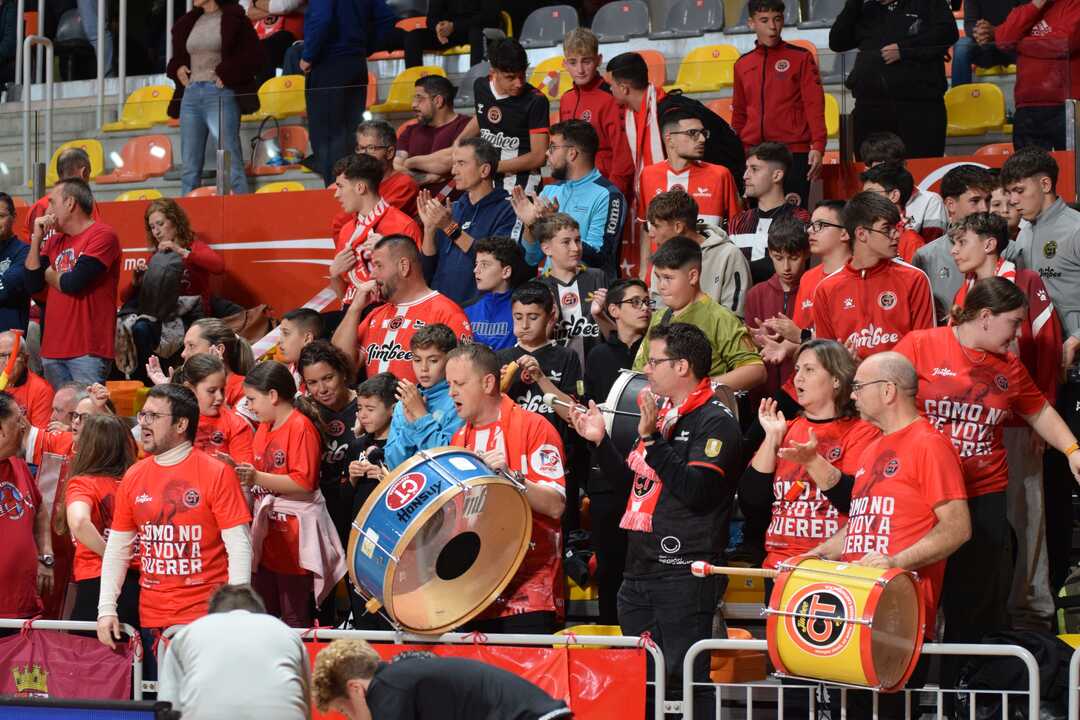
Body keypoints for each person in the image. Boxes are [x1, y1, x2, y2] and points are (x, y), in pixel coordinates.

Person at [895, 278, 1080, 692]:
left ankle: (963, 694)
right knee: (914, 598)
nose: (1017, 334)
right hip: (925, 493)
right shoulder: (920, 345)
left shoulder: (1009, 367)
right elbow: (880, 397)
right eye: (1013, 323)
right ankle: (905, 693)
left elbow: (1039, 412)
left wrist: (1072, 450)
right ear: (984, 316)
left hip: (984, 493)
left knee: (974, 602)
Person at [569, 322, 742, 718]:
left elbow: (697, 490)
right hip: (639, 570)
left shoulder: (715, 420)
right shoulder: (662, 415)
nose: (646, 368)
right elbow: (633, 486)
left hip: (684, 572)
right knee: (643, 684)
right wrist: (600, 442)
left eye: (655, 361)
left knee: (687, 683)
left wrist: (652, 441)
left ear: (682, 366)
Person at [800, 352, 970, 719]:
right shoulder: (873, 447)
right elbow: (863, 522)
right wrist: (819, 553)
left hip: (898, 618)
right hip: (856, 609)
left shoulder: (929, 444)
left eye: (859, 386)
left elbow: (957, 527)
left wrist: (894, 562)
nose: (852, 395)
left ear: (889, 391)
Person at [950, 215, 1061, 629]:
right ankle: (985, 611)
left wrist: (1038, 420)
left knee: (1027, 516)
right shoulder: (963, 292)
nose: (954, 251)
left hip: (1019, 422)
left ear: (989, 244)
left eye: (962, 241)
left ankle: (1032, 612)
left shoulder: (1026, 281)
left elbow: (1047, 348)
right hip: (973, 426)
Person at [96, 384, 253, 649]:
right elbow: (118, 548)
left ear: (181, 424)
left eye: (154, 416)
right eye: (143, 414)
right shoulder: (134, 475)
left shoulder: (217, 473)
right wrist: (106, 609)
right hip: (152, 620)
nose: (144, 423)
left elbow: (239, 545)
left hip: (208, 619)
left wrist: (237, 613)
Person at [446, 343, 567, 633]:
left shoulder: (535, 427)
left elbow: (555, 505)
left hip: (529, 594)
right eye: (449, 384)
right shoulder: (457, 440)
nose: (451, 393)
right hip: (473, 593)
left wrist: (512, 478)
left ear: (488, 383)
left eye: (459, 384)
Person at [237, 360, 346, 627]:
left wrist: (256, 477)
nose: (248, 406)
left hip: (295, 535)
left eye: (252, 399)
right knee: (264, 612)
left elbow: (304, 482)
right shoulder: (265, 425)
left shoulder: (300, 427)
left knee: (294, 617)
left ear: (273, 396)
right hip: (269, 533)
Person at [579, 278, 650, 624]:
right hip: (606, 475)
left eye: (647, 301)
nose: (644, 308)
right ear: (614, 311)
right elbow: (589, 409)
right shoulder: (599, 355)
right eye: (635, 302)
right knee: (609, 567)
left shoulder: (658, 352)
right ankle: (610, 638)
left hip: (649, 475)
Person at [312, 639, 571, 719]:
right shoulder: (402, 676)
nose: (350, 719)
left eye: (344, 711)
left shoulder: (386, 689)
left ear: (355, 690)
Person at [158, 584, 311, 720]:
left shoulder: (186, 634)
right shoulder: (286, 632)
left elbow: (167, 707)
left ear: (211, 614)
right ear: (260, 613)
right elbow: (307, 703)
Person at [811, 192, 935, 360]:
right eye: (886, 229)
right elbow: (827, 361)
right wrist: (845, 365)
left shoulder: (914, 279)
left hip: (901, 376)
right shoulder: (826, 289)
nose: (897, 235)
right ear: (861, 234)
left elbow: (926, 351)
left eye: (897, 228)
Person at [332, 235, 472, 382]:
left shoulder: (447, 313)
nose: (372, 274)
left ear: (403, 266)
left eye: (379, 266)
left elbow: (463, 376)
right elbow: (340, 366)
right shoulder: (376, 315)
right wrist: (354, 309)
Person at [829, 0, 957, 160]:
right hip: (870, 106)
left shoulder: (928, 3)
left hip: (919, 106)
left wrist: (905, 50)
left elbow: (948, 33)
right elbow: (837, 42)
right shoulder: (867, 9)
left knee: (920, 167)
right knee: (872, 168)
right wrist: (853, 5)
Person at [633, 237, 766, 390]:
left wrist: (701, 390)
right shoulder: (658, 317)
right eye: (658, 277)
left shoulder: (719, 318)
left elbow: (756, 370)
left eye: (668, 278)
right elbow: (638, 372)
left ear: (692, 276)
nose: (661, 286)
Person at [25, 178, 121, 388]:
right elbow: (32, 283)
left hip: (87, 350)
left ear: (70, 203)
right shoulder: (53, 241)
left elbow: (73, 283)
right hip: (52, 350)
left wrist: (48, 273)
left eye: (52, 202)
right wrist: (36, 239)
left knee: (87, 408)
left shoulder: (103, 236)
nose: (47, 210)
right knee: (60, 409)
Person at [732, 0, 826, 206]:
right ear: (751, 23)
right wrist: (738, 151)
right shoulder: (742, 64)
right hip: (754, 152)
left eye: (777, 19)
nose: (772, 27)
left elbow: (814, 105)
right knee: (756, 216)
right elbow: (739, 113)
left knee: (793, 215)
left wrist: (818, 146)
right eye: (764, 20)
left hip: (794, 153)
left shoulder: (801, 57)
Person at [512, 120, 627, 279]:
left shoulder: (608, 195)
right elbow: (532, 258)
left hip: (591, 290)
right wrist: (530, 225)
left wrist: (555, 223)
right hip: (551, 288)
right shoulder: (550, 190)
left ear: (572, 153)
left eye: (553, 147)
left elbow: (599, 257)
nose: (547, 153)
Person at [167, 0, 260, 196]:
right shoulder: (190, 20)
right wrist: (178, 68)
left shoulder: (235, 18)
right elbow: (179, 57)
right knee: (189, 166)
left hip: (219, 93)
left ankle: (238, 209)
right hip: (191, 94)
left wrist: (227, 73)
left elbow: (254, 56)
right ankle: (185, 214)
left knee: (228, 161)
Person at [63, 414, 141, 627]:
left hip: (97, 584)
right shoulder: (137, 483)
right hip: (139, 584)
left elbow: (79, 522)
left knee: (91, 649)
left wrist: (112, 555)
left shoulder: (84, 483)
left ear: (90, 446)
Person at [418, 137, 516, 305]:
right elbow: (426, 271)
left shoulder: (508, 210)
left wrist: (450, 228)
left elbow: (496, 261)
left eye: (461, 163)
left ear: (484, 170)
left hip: (479, 311)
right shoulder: (451, 209)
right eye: (454, 164)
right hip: (440, 308)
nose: (453, 171)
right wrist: (429, 230)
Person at [453, 38, 550, 194]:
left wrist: (491, 167)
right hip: (486, 176)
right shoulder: (481, 86)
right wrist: (459, 141)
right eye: (510, 77)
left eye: (522, 75)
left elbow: (539, 157)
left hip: (520, 184)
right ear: (493, 73)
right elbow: (481, 116)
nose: (519, 83)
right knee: (438, 163)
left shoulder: (536, 100)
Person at [329, 154, 422, 307]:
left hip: (390, 312)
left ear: (360, 188)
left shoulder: (404, 226)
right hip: (353, 311)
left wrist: (389, 253)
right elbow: (344, 296)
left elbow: (415, 284)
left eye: (340, 186)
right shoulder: (347, 231)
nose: (336, 194)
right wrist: (335, 274)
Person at [300, 0, 375, 186]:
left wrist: (308, 55)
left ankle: (335, 194)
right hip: (357, 63)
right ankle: (353, 193)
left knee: (329, 139)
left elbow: (322, 18)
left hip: (330, 65)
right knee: (352, 136)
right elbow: (382, 17)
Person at [646, 189, 751, 317]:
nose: (650, 234)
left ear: (678, 227)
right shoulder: (661, 259)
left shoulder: (729, 255)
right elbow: (658, 314)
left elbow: (735, 317)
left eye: (656, 226)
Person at [497, 281, 583, 438]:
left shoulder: (567, 356)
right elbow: (488, 413)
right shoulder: (500, 358)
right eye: (518, 317)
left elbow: (572, 415)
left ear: (551, 316)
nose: (524, 325)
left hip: (556, 445)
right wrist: (499, 390)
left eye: (533, 317)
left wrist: (541, 378)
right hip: (511, 443)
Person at [913, 164, 996, 322]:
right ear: (950, 204)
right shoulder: (926, 257)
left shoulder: (1009, 249)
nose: (985, 208)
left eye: (988, 200)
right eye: (975, 201)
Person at [558, 28, 635, 199]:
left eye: (586, 61)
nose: (580, 70)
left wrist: (612, 195)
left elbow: (623, 155)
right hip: (574, 189)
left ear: (599, 60)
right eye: (573, 62)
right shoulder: (566, 99)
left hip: (605, 189)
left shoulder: (612, 98)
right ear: (564, 64)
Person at [296, 341, 358, 552]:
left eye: (328, 378)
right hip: (322, 510)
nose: (321, 389)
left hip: (360, 505)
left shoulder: (368, 404)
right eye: (312, 382)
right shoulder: (303, 414)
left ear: (343, 373)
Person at [638, 109, 739, 235]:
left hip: (707, 249)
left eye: (703, 133)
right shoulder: (648, 175)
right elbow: (646, 230)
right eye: (692, 133)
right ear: (669, 139)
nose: (702, 139)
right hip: (661, 249)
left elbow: (737, 228)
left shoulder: (720, 175)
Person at [997, 0, 1080, 150]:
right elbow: (1003, 40)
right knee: (1028, 165)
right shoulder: (1025, 7)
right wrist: (1035, 5)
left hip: (1066, 106)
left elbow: (1064, 43)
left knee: (1071, 165)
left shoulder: (1074, 4)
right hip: (1026, 107)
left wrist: (1020, 44)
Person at [0, 392, 54, 621]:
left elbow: (39, 509)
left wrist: (45, 555)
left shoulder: (18, 465)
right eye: (18, 419)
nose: (25, 425)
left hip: (24, 604)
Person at [744, 217, 811, 399]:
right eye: (779, 258)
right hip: (764, 393)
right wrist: (758, 341)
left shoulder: (815, 289)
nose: (786, 267)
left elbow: (822, 342)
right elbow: (748, 352)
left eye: (794, 258)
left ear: (807, 253)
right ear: (770, 254)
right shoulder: (756, 294)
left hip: (804, 393)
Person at [531, 215, 607, 369]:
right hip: (554, 373)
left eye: (577, 240)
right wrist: (551, 322)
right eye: (566, 242)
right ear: (546, 248)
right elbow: (532, 344)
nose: (575, 248)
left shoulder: (597, 277)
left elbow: (614, 335)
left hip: (596, 371)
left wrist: (600, 315)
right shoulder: (537, 287)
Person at [729, 142, 811, 284]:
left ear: (777, 175)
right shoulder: (738, 221)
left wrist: (738, 268)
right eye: (746, 169)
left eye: (754, 169)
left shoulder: (799, 217)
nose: (745, 176)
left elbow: (786, 265)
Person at [383, 324, 462, 469]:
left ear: (450, 360)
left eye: (433, 360)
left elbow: (449, 460)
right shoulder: (405, 402)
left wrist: (421, 416)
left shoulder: (458, 399)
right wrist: (409, 427)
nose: (424, 368)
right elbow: (393, 464)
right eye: (417, 360)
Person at [137, 198, 228, 318]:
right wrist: (136, 280)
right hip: (169, 318)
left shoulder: (194, 247)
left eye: (160, 224)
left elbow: (219, 267)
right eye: (152, 227)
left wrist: (180, 251)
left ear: (175, 221)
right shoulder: (156, 257)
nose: (156, 232)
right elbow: (126, 297)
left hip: (195, 316)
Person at [859, 132, 948, 240]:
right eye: (877, 167)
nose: (884, 171)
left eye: (889, 165)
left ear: (904, 165)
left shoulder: (930, 201)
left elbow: (933, 248)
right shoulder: (862, 204)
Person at [397, 75, 472, 193]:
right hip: (414, 203)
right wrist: (429, 178)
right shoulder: (410, 130)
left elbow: (449, 160)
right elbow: (395, 169)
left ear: (438, 101)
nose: (413, 105)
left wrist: (410, 162)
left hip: (455, 203)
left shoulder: (466, 126)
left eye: (419, 98)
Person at [178, 353, 254, 465]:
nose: (220, 397)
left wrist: (232, 466)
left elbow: (245, 471)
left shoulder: (237, 425)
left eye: (222, 390)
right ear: (189, 388)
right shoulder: (172, 420)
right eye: (212, 391)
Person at [859, 161, 927, 262]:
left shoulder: (912, 242)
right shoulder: (861, 233)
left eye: (870, 194)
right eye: (863, 195)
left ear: (894, 196)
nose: (863, 200)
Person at [400, 0, 499, 68]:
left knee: (477, 32)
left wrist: (454, 26)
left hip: (477, 29)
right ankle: (416, 83)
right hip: (449, 34)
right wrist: (438, 27)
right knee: (414, 35)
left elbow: (489, 16)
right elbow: (431, 19)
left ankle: (477, 82)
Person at [25, 148, 100, 236]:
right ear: (84, 173)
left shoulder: (37, 207)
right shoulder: (86, 204)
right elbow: (96, 234)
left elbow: (29, 242)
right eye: (89, 174)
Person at [463, 236, 521, 351]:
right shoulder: (466, 309)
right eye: (476, 264)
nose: (476, 270)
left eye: (484, 264)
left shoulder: (523, 310)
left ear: (506, 272)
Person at [355, 120, 420, 218]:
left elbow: (375, 219)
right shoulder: (357, 183)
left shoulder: (404, 185)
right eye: (360, 148)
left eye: (371, 148)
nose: (363, 154)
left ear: (390, 152)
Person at [951, 0, 1018, 86]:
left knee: (1028, 39)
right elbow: (970, 24)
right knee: (961, 46)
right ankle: (959, 93)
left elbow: (1023, 22)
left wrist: (995, 32)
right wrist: (981, 32)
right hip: (984, 45)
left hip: (1011, 44)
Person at [241, 0, 307, 83]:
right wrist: (273, 9)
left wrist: (254, 3)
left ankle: (263, 89)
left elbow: (283, 6)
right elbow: (243, 11)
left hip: (291, 37)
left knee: (265, 48)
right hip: (259, 36)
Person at [1, 330, 54, 428]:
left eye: (14, 355)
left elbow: (38, 434)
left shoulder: (41, 390)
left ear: (25, 359)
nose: (8, 362)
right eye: (2, 356)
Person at [0, 193, 31, 334]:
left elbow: (5, 290)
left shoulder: (24, 252)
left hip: (8, 340)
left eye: (1, 216)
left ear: (14, 217)